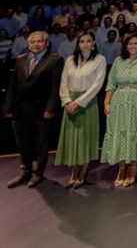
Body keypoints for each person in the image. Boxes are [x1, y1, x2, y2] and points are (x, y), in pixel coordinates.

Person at [4, 31, 64, 188]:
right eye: (32, 42)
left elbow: (55, 87)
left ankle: (38, 174)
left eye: (39, 41)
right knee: (23, 142)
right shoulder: (20, 59)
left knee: (40, 142)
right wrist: (8, 106)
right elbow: (13, 85)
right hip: (20, 109)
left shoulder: (54, 60)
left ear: (46, 43)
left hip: (41, 110)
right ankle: (25, 171)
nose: (35, 44)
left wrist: (51, 107)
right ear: (28, 44)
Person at [101, 33, 137, 187]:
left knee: (134, 133)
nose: (133, 46)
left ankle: (133, 168)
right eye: (130, 44)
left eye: (136, 43)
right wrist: (107, 103)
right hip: (119, 102)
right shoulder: (118, 61)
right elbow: (111, 83)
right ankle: (121, 169)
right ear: (125, 46)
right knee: (120, 134)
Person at [55, 32, 106, 189]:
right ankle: (73, 173)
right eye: (82, 41)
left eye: (88, 41)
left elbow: (97, 85)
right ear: (78, 44)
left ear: (94, 43)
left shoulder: (100, 60)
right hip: (70, 105)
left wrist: (78, 102)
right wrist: (67, 101)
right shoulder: (70, 60)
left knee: (85, 140)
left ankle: (82, 173)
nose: (85, 44)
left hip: (87, 104)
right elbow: (63, 82)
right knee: (72, 140)